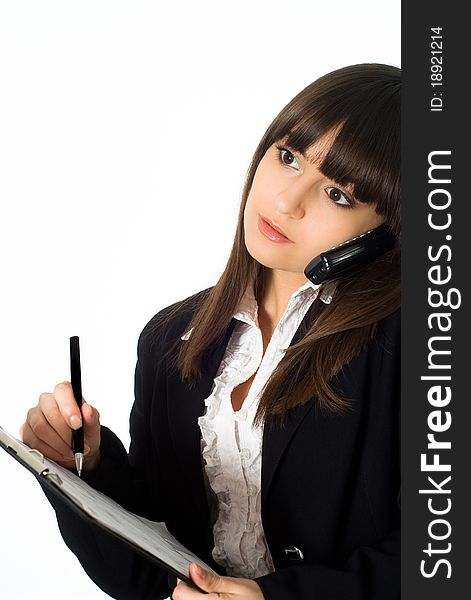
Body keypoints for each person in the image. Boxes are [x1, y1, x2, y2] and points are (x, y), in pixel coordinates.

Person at [21, 62, 401, 600]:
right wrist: (84, 464)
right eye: (288, 158)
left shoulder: (414, 346)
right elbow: (148, 574)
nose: (287, 201)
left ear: (386, 233)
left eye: (339, 194)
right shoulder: (169, 339)